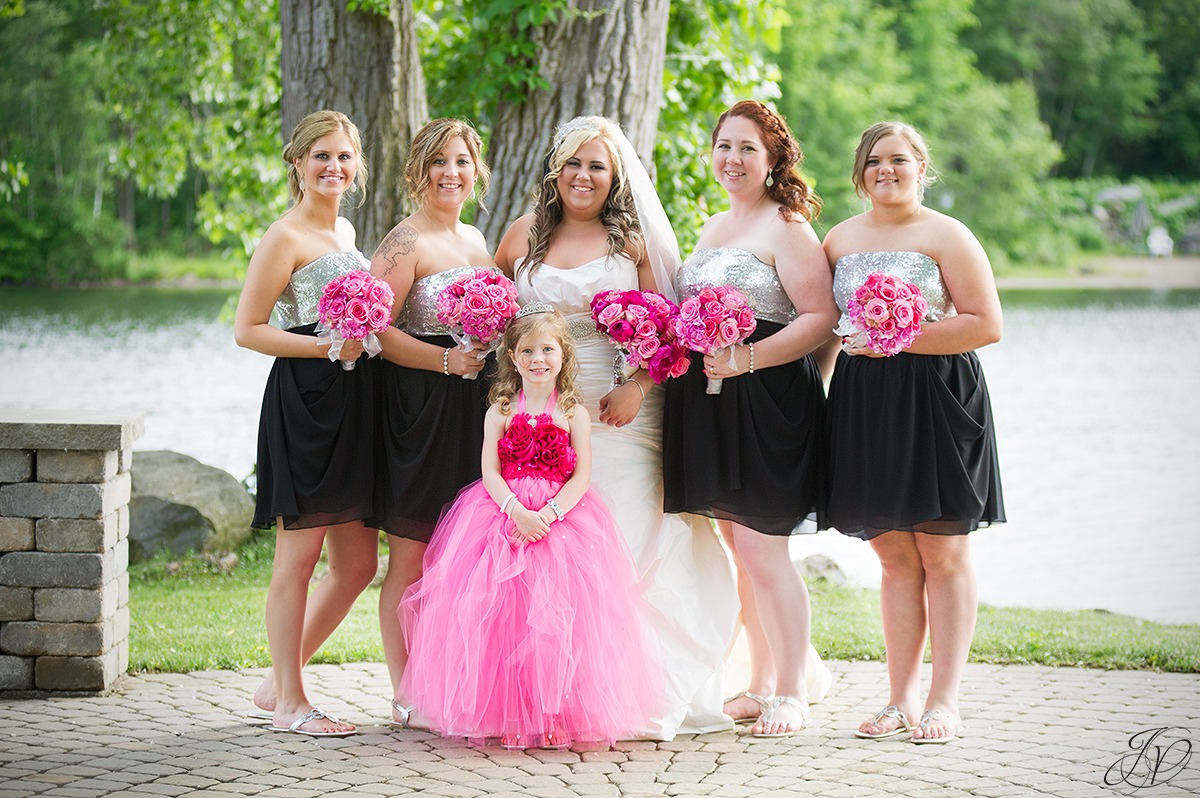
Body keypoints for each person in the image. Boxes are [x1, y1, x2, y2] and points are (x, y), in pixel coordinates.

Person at [494, 116, 740, 740]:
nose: (584, 176)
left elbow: (672, 329)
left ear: (615, 176)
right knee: (556, 553)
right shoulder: (523, 236)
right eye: (574, 164)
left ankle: (639, 693)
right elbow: (498, 321)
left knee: (630, 543)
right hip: (544, 414)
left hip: (621, 409)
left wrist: (637, 385)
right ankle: (560, 694)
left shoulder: (632, 244)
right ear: (556, 171)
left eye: (597, 166)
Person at [399, 305, 660, 749]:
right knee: (504, 621)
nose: (538, 359)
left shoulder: (574, 412)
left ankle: (555, 713)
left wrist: (550, 515)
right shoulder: (500, 410)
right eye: (527, 351)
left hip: (562, 524)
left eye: (547, 349)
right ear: (513, 357)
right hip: (502, 518)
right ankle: (508, 712)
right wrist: (517, 511)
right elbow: (490, 472)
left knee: (559, 626)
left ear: (563, 355)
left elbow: (581, 475)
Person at [823, 121, 1005, 744]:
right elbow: (827, 328)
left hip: (937, 399)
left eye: (899, 160)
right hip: (865, 403)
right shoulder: (839, 239)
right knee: (893, 554)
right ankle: (899, 699)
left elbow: (985, 324)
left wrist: (897, 336)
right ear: (860, 173)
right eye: (874, 161)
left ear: (922, 168)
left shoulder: (947, 234)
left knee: (942, 550)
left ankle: (944, 701)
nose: (886, 171)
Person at [661, 100, 839, 739]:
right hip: (714, 406)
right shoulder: (711, 227)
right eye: (724, 146)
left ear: (772, 162)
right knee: (741, 549)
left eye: (747, 149)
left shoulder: (787, 228)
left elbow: (822, 320)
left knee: (766, 551)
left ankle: (791, 690)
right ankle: (761, 682)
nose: (733, 160)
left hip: (768, 405)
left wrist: (749, 359)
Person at [233, 110, 379, 737]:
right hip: (305, 403)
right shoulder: (284, 236)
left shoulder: (346, 230)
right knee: (297, 558)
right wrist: (325, 346)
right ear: (297, 163)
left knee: (357, 565)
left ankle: (278, 681)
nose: (334, 167)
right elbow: (248, 330)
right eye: (321, 155)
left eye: (344, 157)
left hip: (352, 404)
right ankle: (293, 702)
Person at [368, 118, 497, 729]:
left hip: (473, 412)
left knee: (461, 556)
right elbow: (374, 328)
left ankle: (453, 683)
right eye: (438, 162)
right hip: (417, 408)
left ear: (477, 171)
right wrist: (445, 359)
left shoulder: (477, 240)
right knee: (411, 557)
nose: (451, 173)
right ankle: (407, 691)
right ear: (417, 170)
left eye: (462, 162)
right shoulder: (404, 242)